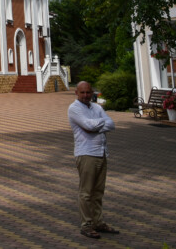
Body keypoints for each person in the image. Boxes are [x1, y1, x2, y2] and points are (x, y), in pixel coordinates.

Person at [68, 81, 118, 239]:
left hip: (101, 153)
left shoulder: (97, 107)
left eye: (88, 92)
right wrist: (97, 125)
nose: (85, 96)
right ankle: (87, 224)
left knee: (98, 191)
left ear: (92, 93)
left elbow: (111, 124)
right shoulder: (74, 108)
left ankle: (98, 221)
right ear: (76, 93)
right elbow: (87, 126)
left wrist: (96, 125)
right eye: (82, 92)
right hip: (86, 154)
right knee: (86, 192)